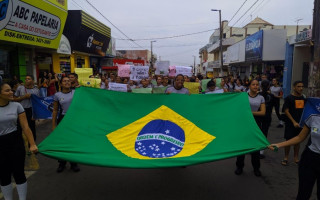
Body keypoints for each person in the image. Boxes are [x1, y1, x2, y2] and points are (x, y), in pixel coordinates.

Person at [0, 82, 38, 200]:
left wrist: (32, 144)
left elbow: (26, 127)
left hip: (16, 143)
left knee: (19, 173)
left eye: (11, 90)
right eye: (7, 91)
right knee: (4, 175)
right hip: (0, 147)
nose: (11, 92)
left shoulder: (17, 106)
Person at [269, 114, 320, 200]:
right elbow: (299, 137)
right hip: (309, 159)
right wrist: (279, 145)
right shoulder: (313, 117)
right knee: (303, 193)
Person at [235, 79, 265, 177]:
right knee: (242, 147)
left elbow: (262, 112)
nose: (255, 86)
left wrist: (249, 112)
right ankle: (239, 167)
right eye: (253, 84)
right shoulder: (243, 96)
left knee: (255, 148)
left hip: (255, 123)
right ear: (249, 86)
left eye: (257, 85)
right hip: (243, 123)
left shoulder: (261, 97)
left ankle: (256, 168)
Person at [52, 76, 80, 173]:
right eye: (64, 81)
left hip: (74, 120)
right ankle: (62, 163)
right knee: (62, 143)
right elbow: (55, 110)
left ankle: (74, 163)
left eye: (68, 81)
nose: (67, 82)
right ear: (60, 84)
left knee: (73, 142)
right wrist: (53, 125)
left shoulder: (76, 92)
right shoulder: (57, 95)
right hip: (63, 119)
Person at [281, 81, 306, 166]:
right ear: (294, 87)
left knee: (297, 141)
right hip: (290, 123)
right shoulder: (289, 98)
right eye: (299, 86)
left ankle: (296, 157)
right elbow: (286, 111)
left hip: (300, 124)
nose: (301, 88)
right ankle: (286, 157)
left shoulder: (303, 98)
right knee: (288, 141)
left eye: (302, 86)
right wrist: (293, 121)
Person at [14, 75, 40, 141]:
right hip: (21, 110)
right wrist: (24, 97)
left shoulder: (36, 90)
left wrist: (36, 115)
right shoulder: (20, 88)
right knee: (19, 129)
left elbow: (37, 103)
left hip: (31, 110)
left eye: (29, 79)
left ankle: (32, 146)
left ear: (33, 81)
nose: (26, 80)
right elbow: (14, 99)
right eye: (26, 79)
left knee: (31, 128)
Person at [259, 80, 274, 159]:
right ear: (269, 86)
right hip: (267, 116)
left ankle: (255, 148)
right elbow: (276, 107)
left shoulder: (258, 95)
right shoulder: (271, 96)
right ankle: (261, 151)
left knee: (257, 132)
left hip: (258, 116)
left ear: (260, 86)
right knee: (264, 132)